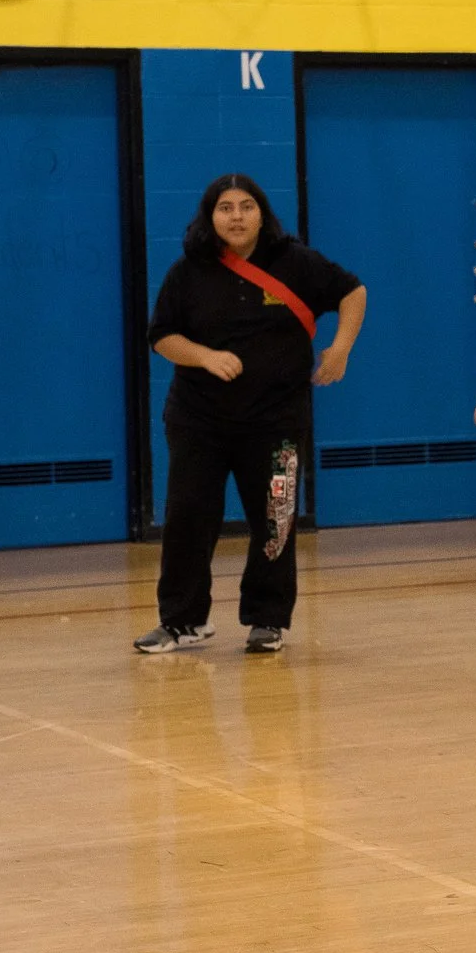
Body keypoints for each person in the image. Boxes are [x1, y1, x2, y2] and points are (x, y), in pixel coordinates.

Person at [135, 174, 364, 656]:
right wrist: (203, 355)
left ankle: (267, 619)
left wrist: (339, 350)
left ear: (262, 212)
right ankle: (182, 621)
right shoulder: (188, 271)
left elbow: (352, 291)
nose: (235, 216)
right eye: (225, 208)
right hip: (199, 418)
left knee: (274, 520)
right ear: (209, 216)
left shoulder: (296, 263)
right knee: (189, 516)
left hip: (276, 419)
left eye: (245, 206)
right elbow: (161, 336)